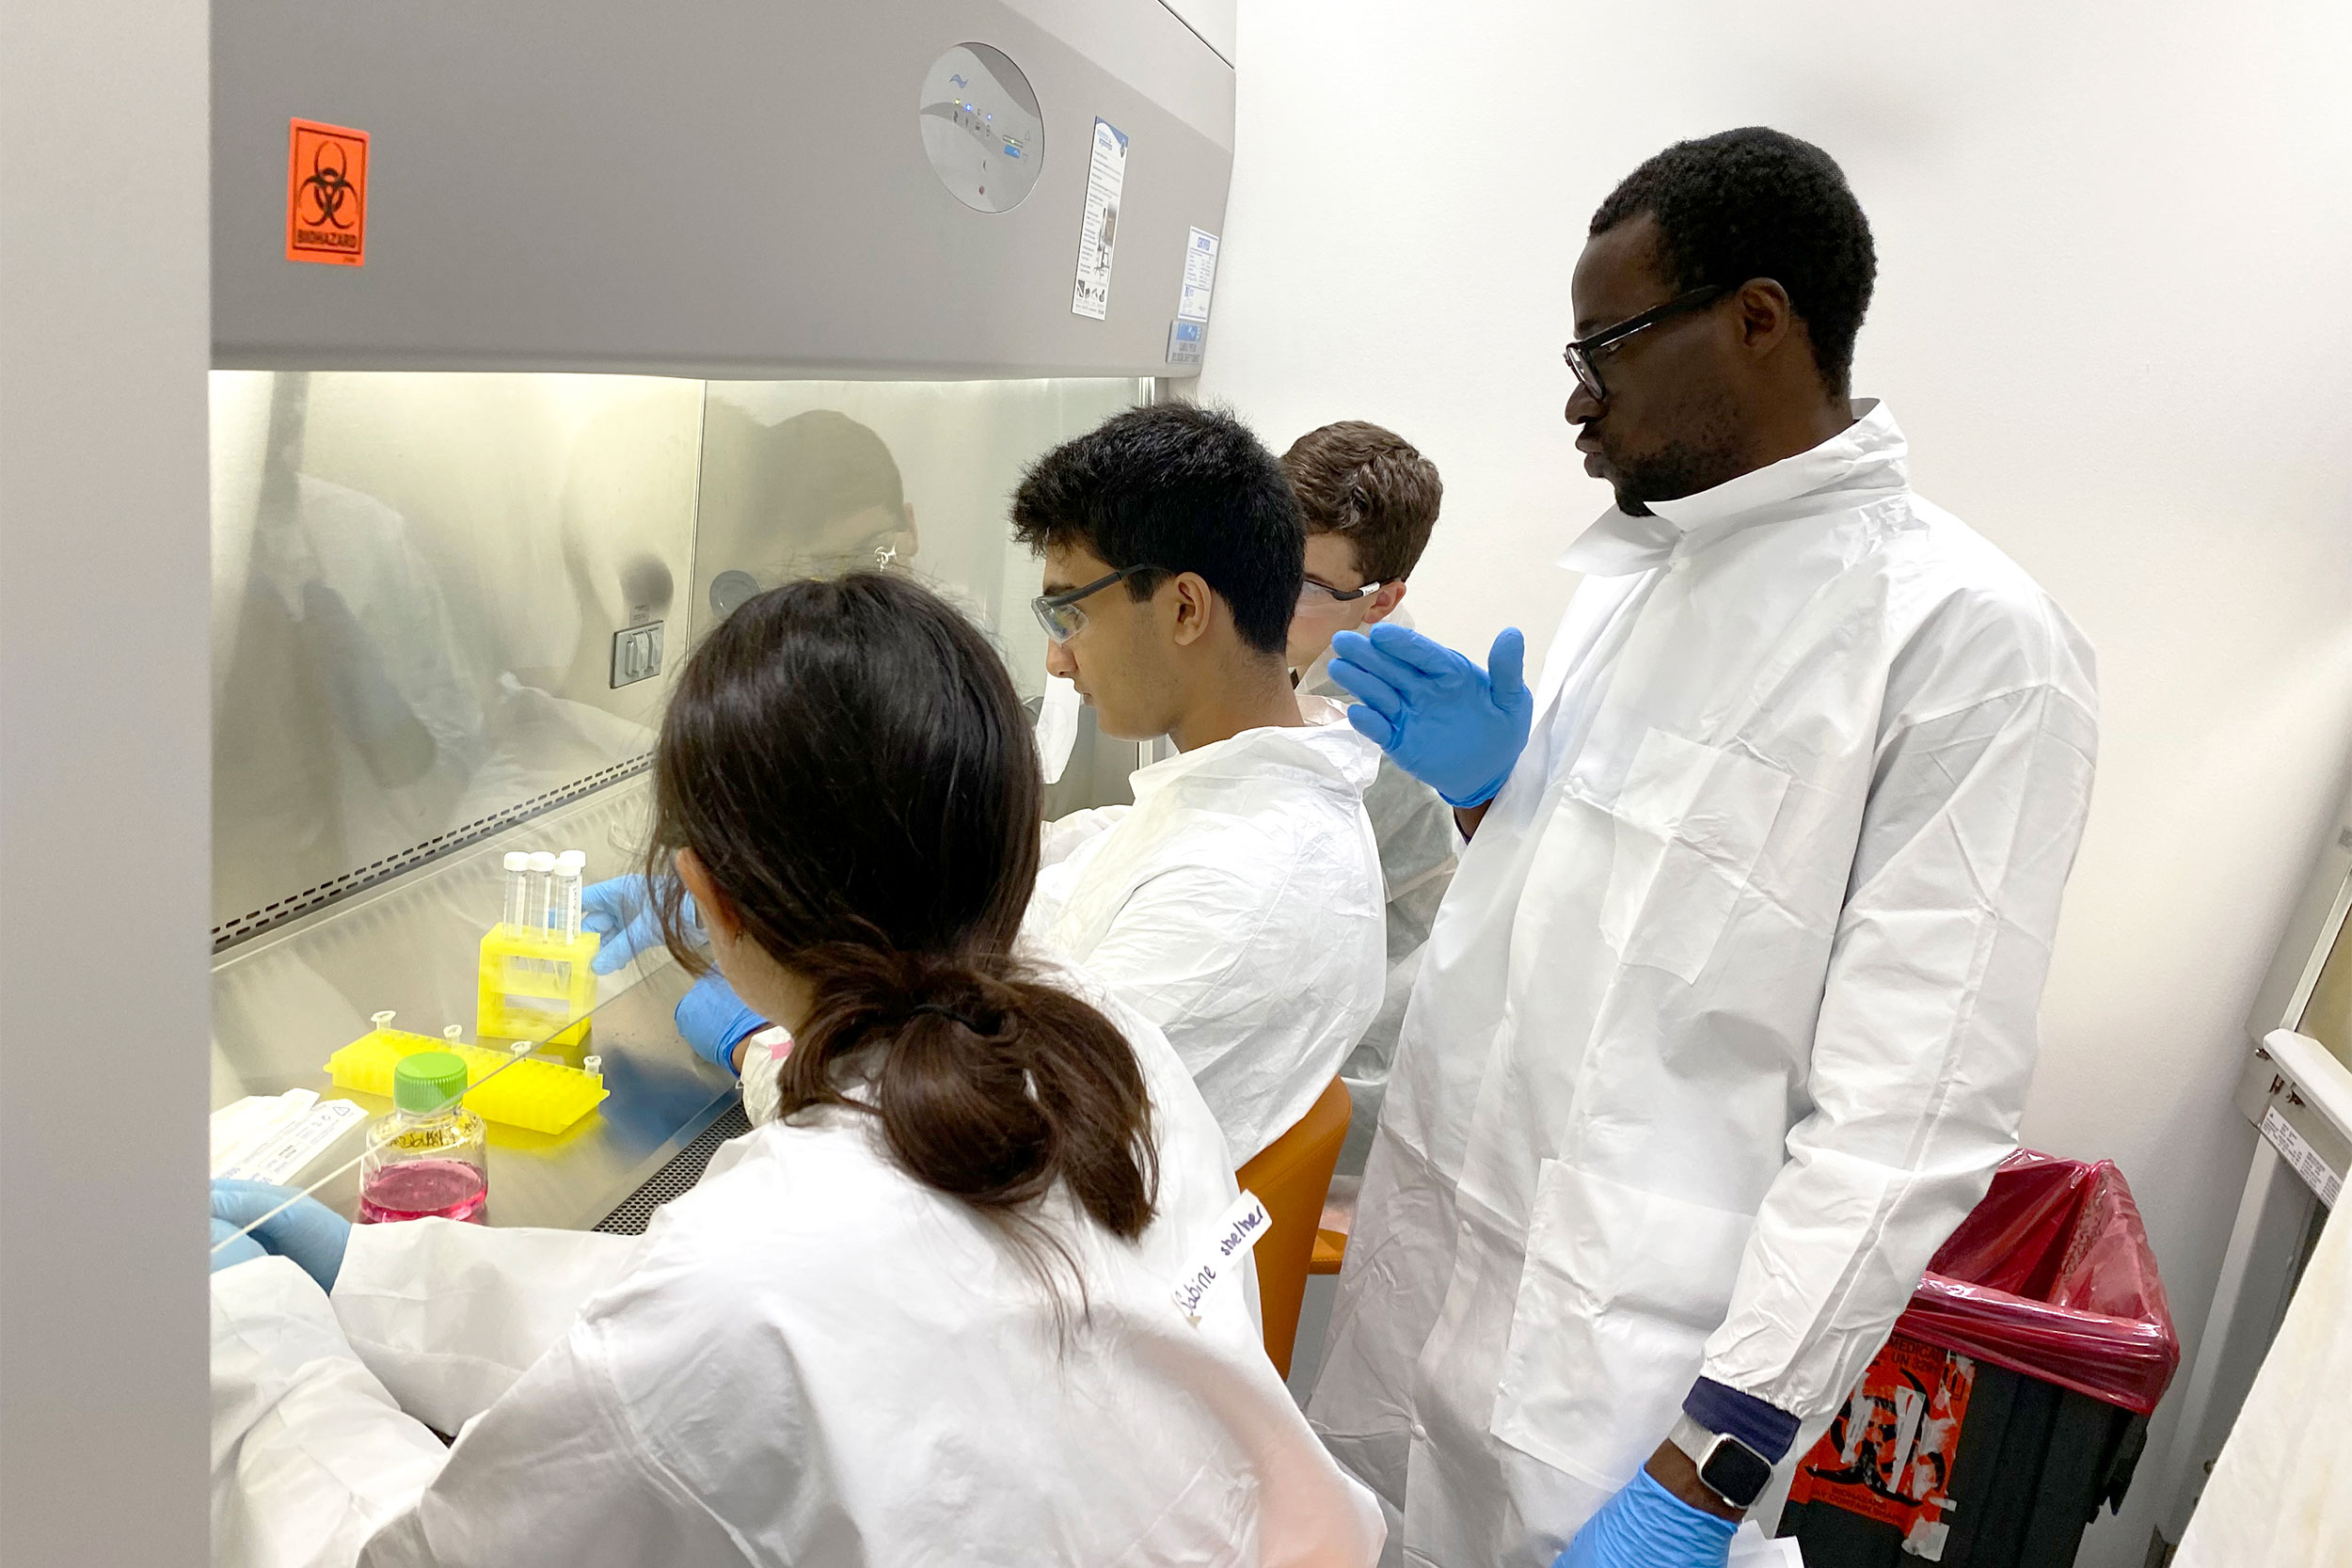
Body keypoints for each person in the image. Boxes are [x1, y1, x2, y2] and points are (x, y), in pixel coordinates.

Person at [208, 574, 1385, 1568]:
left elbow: (446, 1528)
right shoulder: (1101, 1041)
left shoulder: (761, 1276)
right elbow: (705, 1345)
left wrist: (259, 1342)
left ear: (706, 895)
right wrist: (377, 1274)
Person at [1306, 128, 2100, 1566]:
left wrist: (1706, 1464)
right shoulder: (1635, 571)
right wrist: (1494, 802)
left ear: (1757, 319)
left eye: (1602, 348)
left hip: (1631, 1391)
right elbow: (1617, 937)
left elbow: (1908, 1123)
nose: (1576, 402)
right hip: (1429, 1297)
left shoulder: (1968, 643)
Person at [1011, 402, 1389, 1164]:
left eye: (1069, 616)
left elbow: (990, 1130)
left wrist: (762, 1047)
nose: (1057, 660)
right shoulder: (1239, 783)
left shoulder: (1241, 883)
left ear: (1185, 608)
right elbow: (1084, 860)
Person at [1279, 420, 1459, 1180]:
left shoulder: (1367, 727)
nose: (1266, 596)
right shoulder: (1328, 650)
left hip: (1371, 1058)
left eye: (1309, 586)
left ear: (1381, 600)